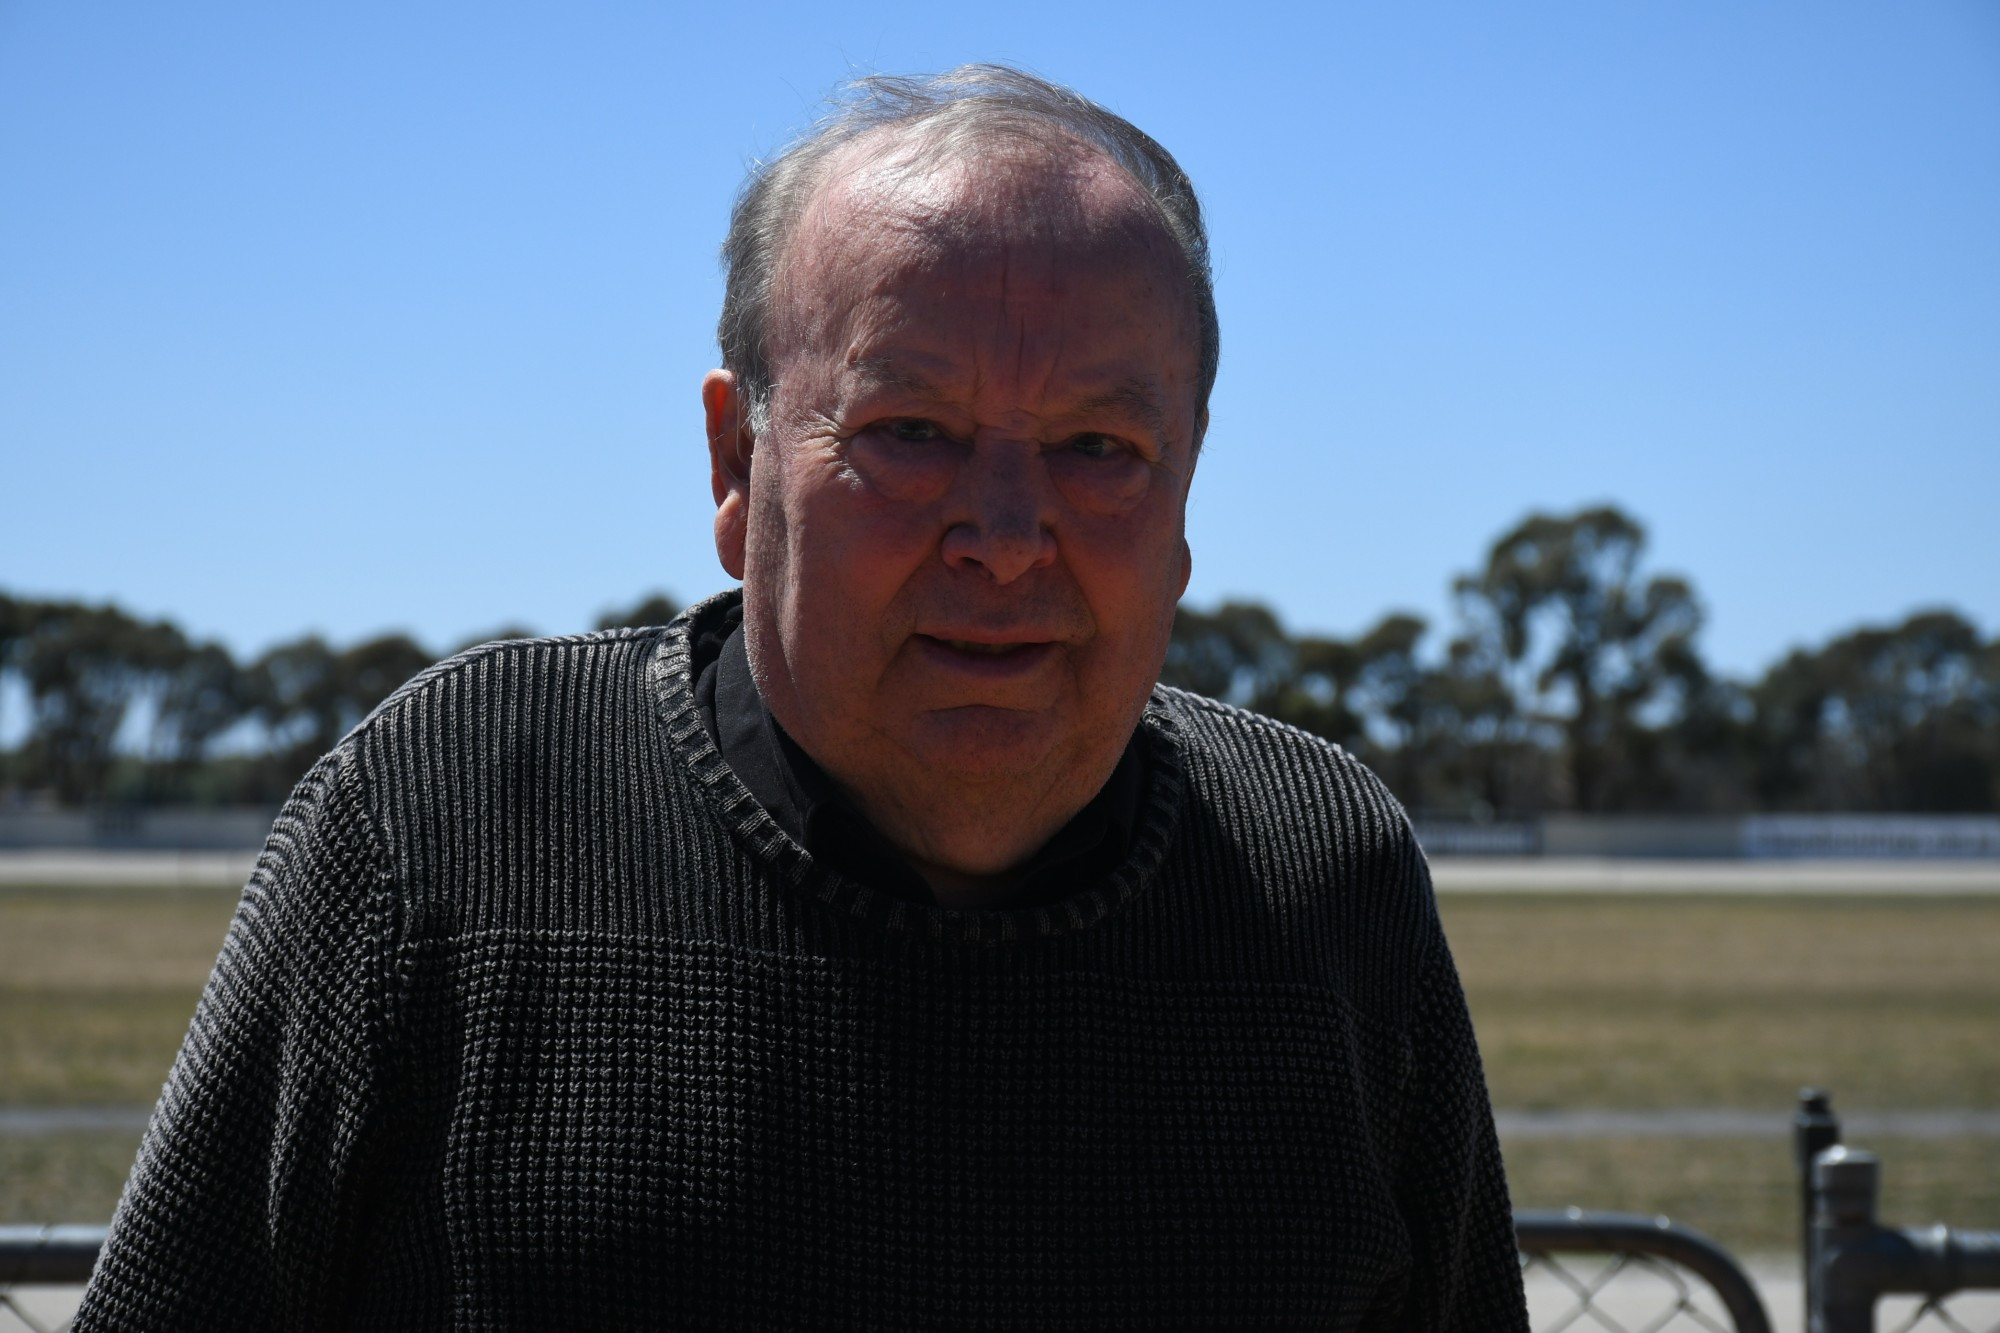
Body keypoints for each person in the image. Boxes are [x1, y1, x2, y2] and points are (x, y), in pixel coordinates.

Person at [76, 66, 1528, 1329]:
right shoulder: (445, 820)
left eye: (1099, 446)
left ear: (1191, 479)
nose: (1008, 535)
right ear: (734, 459)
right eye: (911, 431)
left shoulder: (1326, 881)